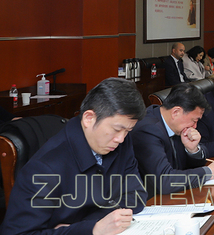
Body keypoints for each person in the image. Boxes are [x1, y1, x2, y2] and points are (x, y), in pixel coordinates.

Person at [0, 78, 147, 235]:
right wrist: (93, 229)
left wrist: (88, 224)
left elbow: (136, 195)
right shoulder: (44, 168)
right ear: (89, 118)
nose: (121, 138)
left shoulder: (121, 142)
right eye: (117, 129)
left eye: (128, 131)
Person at [130, 83, 214, 197]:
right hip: (151, 200)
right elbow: (165, 181)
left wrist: (192, 150)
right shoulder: (147, 130)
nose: (195, 126)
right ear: (176, 112)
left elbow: (186, 167)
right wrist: (208, 172)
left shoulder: (174, 124)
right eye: (194, 120)